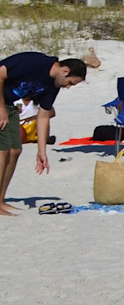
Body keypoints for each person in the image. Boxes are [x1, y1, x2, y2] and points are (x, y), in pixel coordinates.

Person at [0, 53, 87, 216]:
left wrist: (41, 152)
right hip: (2, 104)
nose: (68, 87)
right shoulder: (35, 62)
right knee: (3, 150)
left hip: (8, 105)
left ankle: (0, 200)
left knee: (15, 151)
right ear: (65, 71)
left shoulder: (52, 86)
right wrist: (1, 108)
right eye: (70, 83)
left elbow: (43, 116)